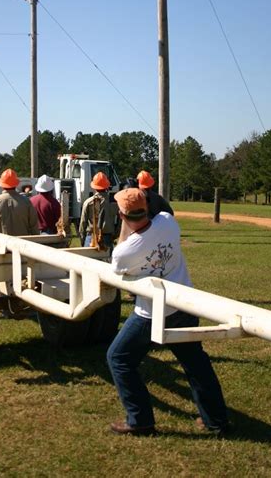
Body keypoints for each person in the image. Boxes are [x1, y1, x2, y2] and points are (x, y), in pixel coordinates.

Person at [107, 187, 230, 437]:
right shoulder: (168, 222)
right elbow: (158, 216)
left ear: (121, 215)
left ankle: (139, 420)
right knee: (196, 364)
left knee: (118, 358)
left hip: (150, 313)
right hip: (184, 306)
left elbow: (118, 263)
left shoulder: (124, 251)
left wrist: (125, 226)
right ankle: (216, 421)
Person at [0, 168, 39, 237]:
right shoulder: (26, 202)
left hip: (0, 245)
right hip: (23, 245)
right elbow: (34, 228)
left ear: (2, 185)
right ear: (16, 185)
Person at [79, 171, 117, 253]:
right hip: (107, 238)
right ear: (107, 186)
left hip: (91, 237)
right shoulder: (114, 203)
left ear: (94, 187)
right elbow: (120, 220)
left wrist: (82, 240)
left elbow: (83, 223)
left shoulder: (88, 202)